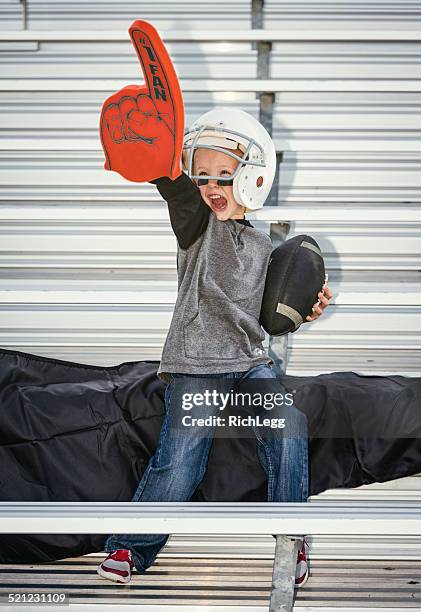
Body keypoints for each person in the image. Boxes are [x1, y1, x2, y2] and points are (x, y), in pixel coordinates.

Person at [97, 107, 332, 587]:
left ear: (254, 178)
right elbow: (176, 189)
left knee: (289, 428)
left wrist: (308, 307)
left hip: (249, 363)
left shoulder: (269, 249)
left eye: (224, 176)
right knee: (181, 459)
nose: (211, 186)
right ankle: (130, 546)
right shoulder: (196, 226)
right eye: (202, 175)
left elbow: (274, 318)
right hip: (197, 363)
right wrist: (165, 167)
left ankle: (292, 540)